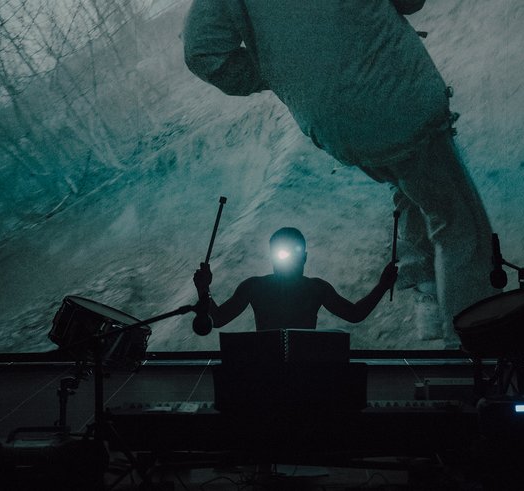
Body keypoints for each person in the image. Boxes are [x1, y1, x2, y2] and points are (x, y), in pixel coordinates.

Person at [183, 0, 495, 344]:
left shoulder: (258, 287)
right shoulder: (310, 288)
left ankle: (428, 291)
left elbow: (202, 53)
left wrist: (283, 71)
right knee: (457, 223)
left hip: (333, 124)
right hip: (395, 96)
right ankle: (467, 347)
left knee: (407, 180)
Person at [193, 227, 398, 330]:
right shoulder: (316, 288)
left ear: (305, 257)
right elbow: (355, 314)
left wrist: (203, 289)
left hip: (269, 368)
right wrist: (382, 286)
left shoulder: (254, 287)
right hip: (302, 368)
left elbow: (218, 319)